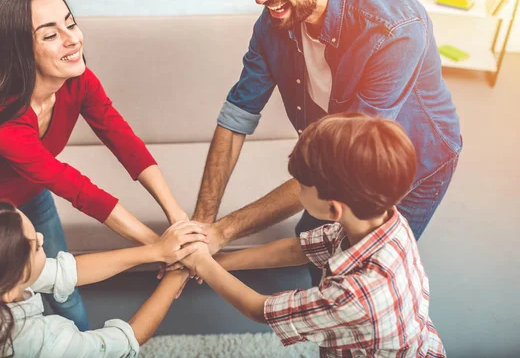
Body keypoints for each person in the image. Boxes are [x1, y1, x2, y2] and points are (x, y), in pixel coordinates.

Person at [187, 0, 462, 285]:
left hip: (413, 165)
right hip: (335, 157)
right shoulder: (272, 23)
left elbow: (344, 162)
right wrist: (201, 226)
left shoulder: (394, 29)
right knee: (316, 248)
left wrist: (223, 232)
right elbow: (236, 116)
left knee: (357, 277)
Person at [0, 0, 190, 330]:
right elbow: (79, 190)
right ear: (22, 50)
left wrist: (177, 218)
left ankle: (81, 344)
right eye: (51, 34)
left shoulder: (77, 80)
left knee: (63, 287)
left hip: (30, 192)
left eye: (71, 24)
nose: (72, 39)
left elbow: (124, 141)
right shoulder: (4, 120)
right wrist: (160, 247)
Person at [181, 113, 447, 357]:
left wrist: (201, 264)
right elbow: (297, 250)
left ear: (333, 209)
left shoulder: (354, 296)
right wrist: (214, 259)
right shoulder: (381, 219)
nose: (297, 192)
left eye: (302, 187)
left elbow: (259, 308)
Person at [0, 200, 206, 358]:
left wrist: (155, 251)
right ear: (9, 288)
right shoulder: (47, 342)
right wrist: (176, 275)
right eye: (36, 245)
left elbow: (72, 271)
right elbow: (126, 339)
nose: (42, 238)